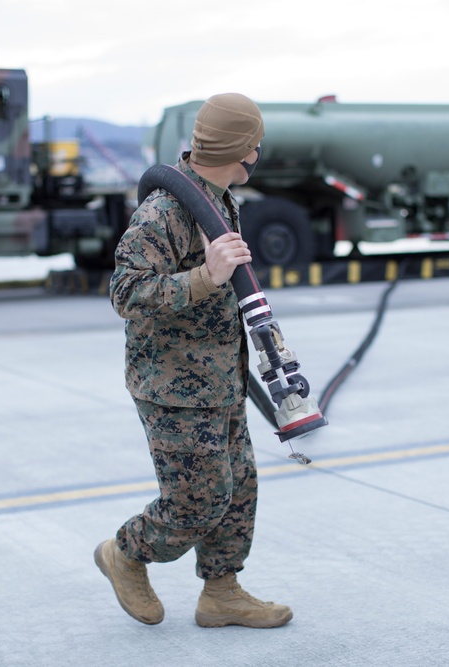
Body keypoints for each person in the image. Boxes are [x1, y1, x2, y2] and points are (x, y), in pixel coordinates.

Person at [95, 93, 293, 629]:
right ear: (246, 149)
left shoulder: (218, 198)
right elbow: (125, 293)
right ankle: (125, 553)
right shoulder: (166, 211)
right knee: (194, 504)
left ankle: (222, 593)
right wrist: (205, 278)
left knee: (238, 489)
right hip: (174, 387)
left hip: (219, 377)